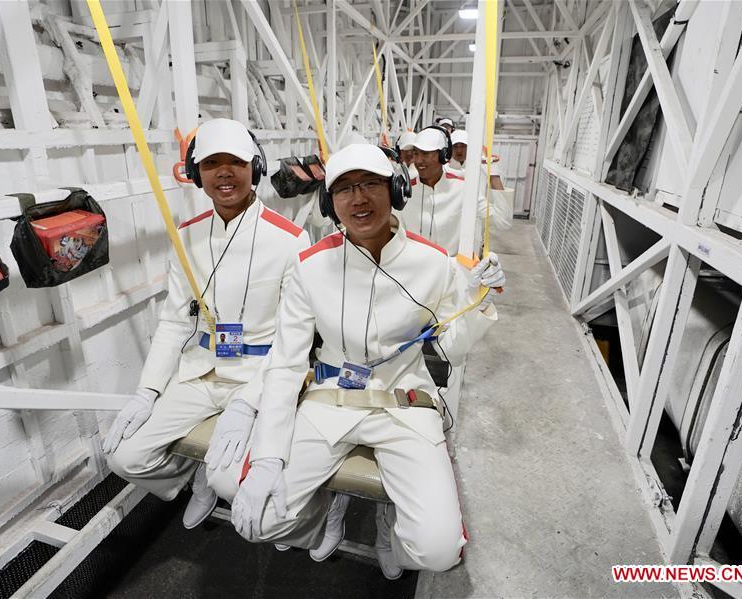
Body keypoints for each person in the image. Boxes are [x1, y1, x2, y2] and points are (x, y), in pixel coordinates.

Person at [211, 144, 505, 579]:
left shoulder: (432, 263)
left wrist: (477, 302)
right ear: (330, 203)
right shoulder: (309, 265)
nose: (359, 199)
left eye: (370, 184)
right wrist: (270, 456)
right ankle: (326, 508)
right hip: (329, 402)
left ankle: (390, 523)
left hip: (404, 406)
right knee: (260, 519)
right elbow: (287, 365)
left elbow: (452, 350)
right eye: (345, 189)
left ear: (396, 190)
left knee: (438, 553)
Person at [103, 118, 310, 530]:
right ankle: (189, 478)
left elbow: (293, 341)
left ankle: (212, 480)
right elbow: (174, 321)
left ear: (256, 167)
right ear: (198, 175)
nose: (225, 172)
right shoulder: (187, 235)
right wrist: (147, 391)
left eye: (235, 161)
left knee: (230, 480)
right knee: (124, 458)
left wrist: (250, 401)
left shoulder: (290, 239)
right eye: (212, 163)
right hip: (200, 371)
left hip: (258, 375)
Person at [406, 127, 511, 256]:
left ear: (443, 155)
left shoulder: (463, 189)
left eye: (426, 154)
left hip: (452, 272)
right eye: (416, 153)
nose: (418, 160)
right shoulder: (404, 191)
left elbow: (503, 221)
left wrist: (493, 175)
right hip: (416, 271)